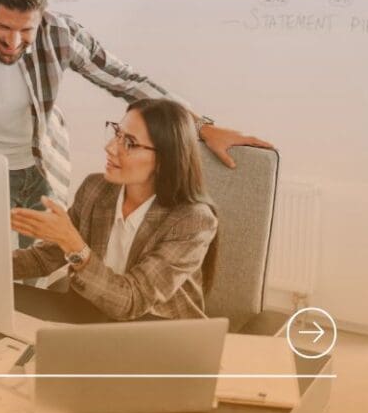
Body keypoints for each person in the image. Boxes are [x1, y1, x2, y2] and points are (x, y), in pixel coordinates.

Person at [0, 0, 270, 248]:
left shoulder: (59, 33)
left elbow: (128, 81)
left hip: (39, 171)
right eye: (4, 28)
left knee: (38, 275)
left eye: (26, 30)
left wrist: (202, 126)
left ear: (42, 16)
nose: (14, 42)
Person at [11, 98, 218, 320]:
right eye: (117, 133)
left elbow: (132, 301)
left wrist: (74, 245)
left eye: (129, 142)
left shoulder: (193, 221)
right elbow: (46, 258)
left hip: (156, 333)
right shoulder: (96, 188)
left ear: (164, 159)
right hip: (89, 316)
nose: (109, 148)